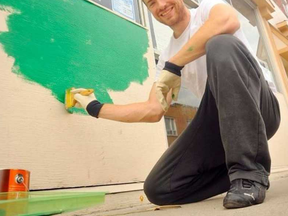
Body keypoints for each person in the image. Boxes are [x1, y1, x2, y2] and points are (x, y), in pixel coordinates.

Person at [72, 0, 281, 209]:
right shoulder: (165, 59)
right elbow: (153, 110)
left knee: (220, 44)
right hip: (222, 121)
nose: (161, 5)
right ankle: (241, 172)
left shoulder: (207, 10)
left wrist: (176, 64)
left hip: (260, 106)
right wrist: (94, 107)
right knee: (159, 187)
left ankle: (249, 175)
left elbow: (228, 21)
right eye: (152, 3)